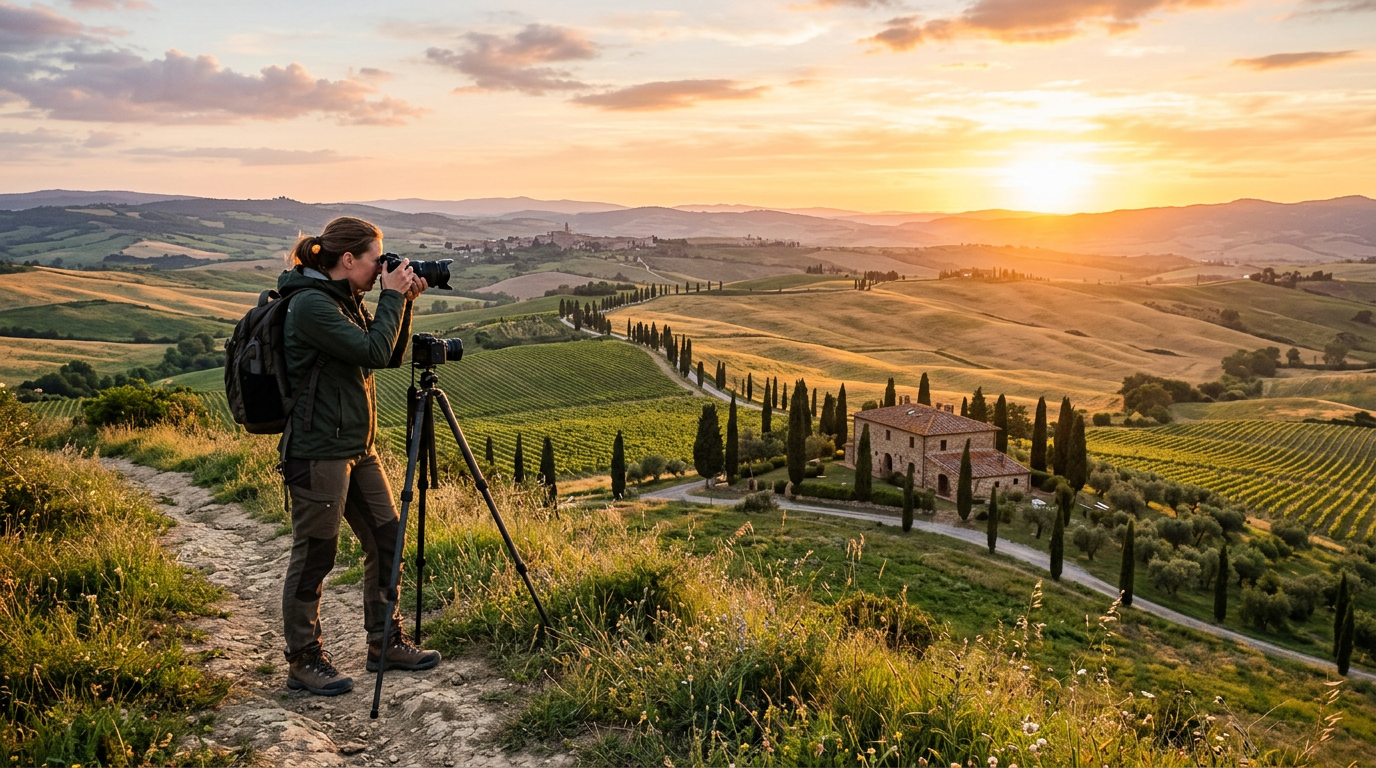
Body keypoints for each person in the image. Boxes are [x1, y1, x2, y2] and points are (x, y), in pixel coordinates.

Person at [276, 216, 438, 696]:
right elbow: (371, 350)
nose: (381, 268)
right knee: (316, 554)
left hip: (357, 449)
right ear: (348, 260)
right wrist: (391, 295)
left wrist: (402, 301)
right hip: (318, 451)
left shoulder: (344, 301)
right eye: (375, 261)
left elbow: (386, 354)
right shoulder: (310, 306)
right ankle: (304, 659)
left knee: (388, 539)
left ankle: (384, 642)